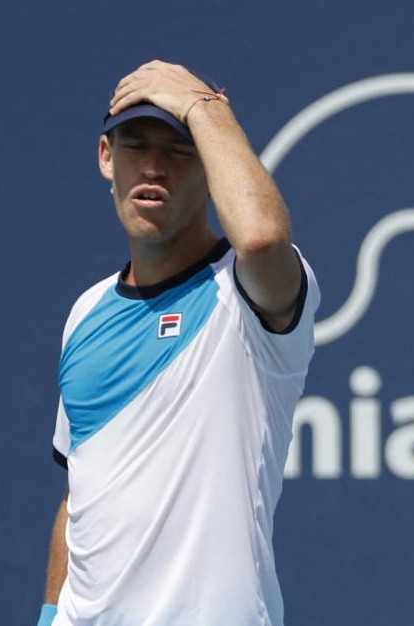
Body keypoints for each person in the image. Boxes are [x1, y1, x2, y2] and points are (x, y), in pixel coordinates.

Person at [38, 60, 320, 626]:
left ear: (211, 167)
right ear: (105, 158)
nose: (153, 167)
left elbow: (262, 238)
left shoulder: (244, 295)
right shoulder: (85, 314)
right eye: (135, 146)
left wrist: (203, 106)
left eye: (179, 151)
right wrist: (49, 617)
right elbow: (79, 499)